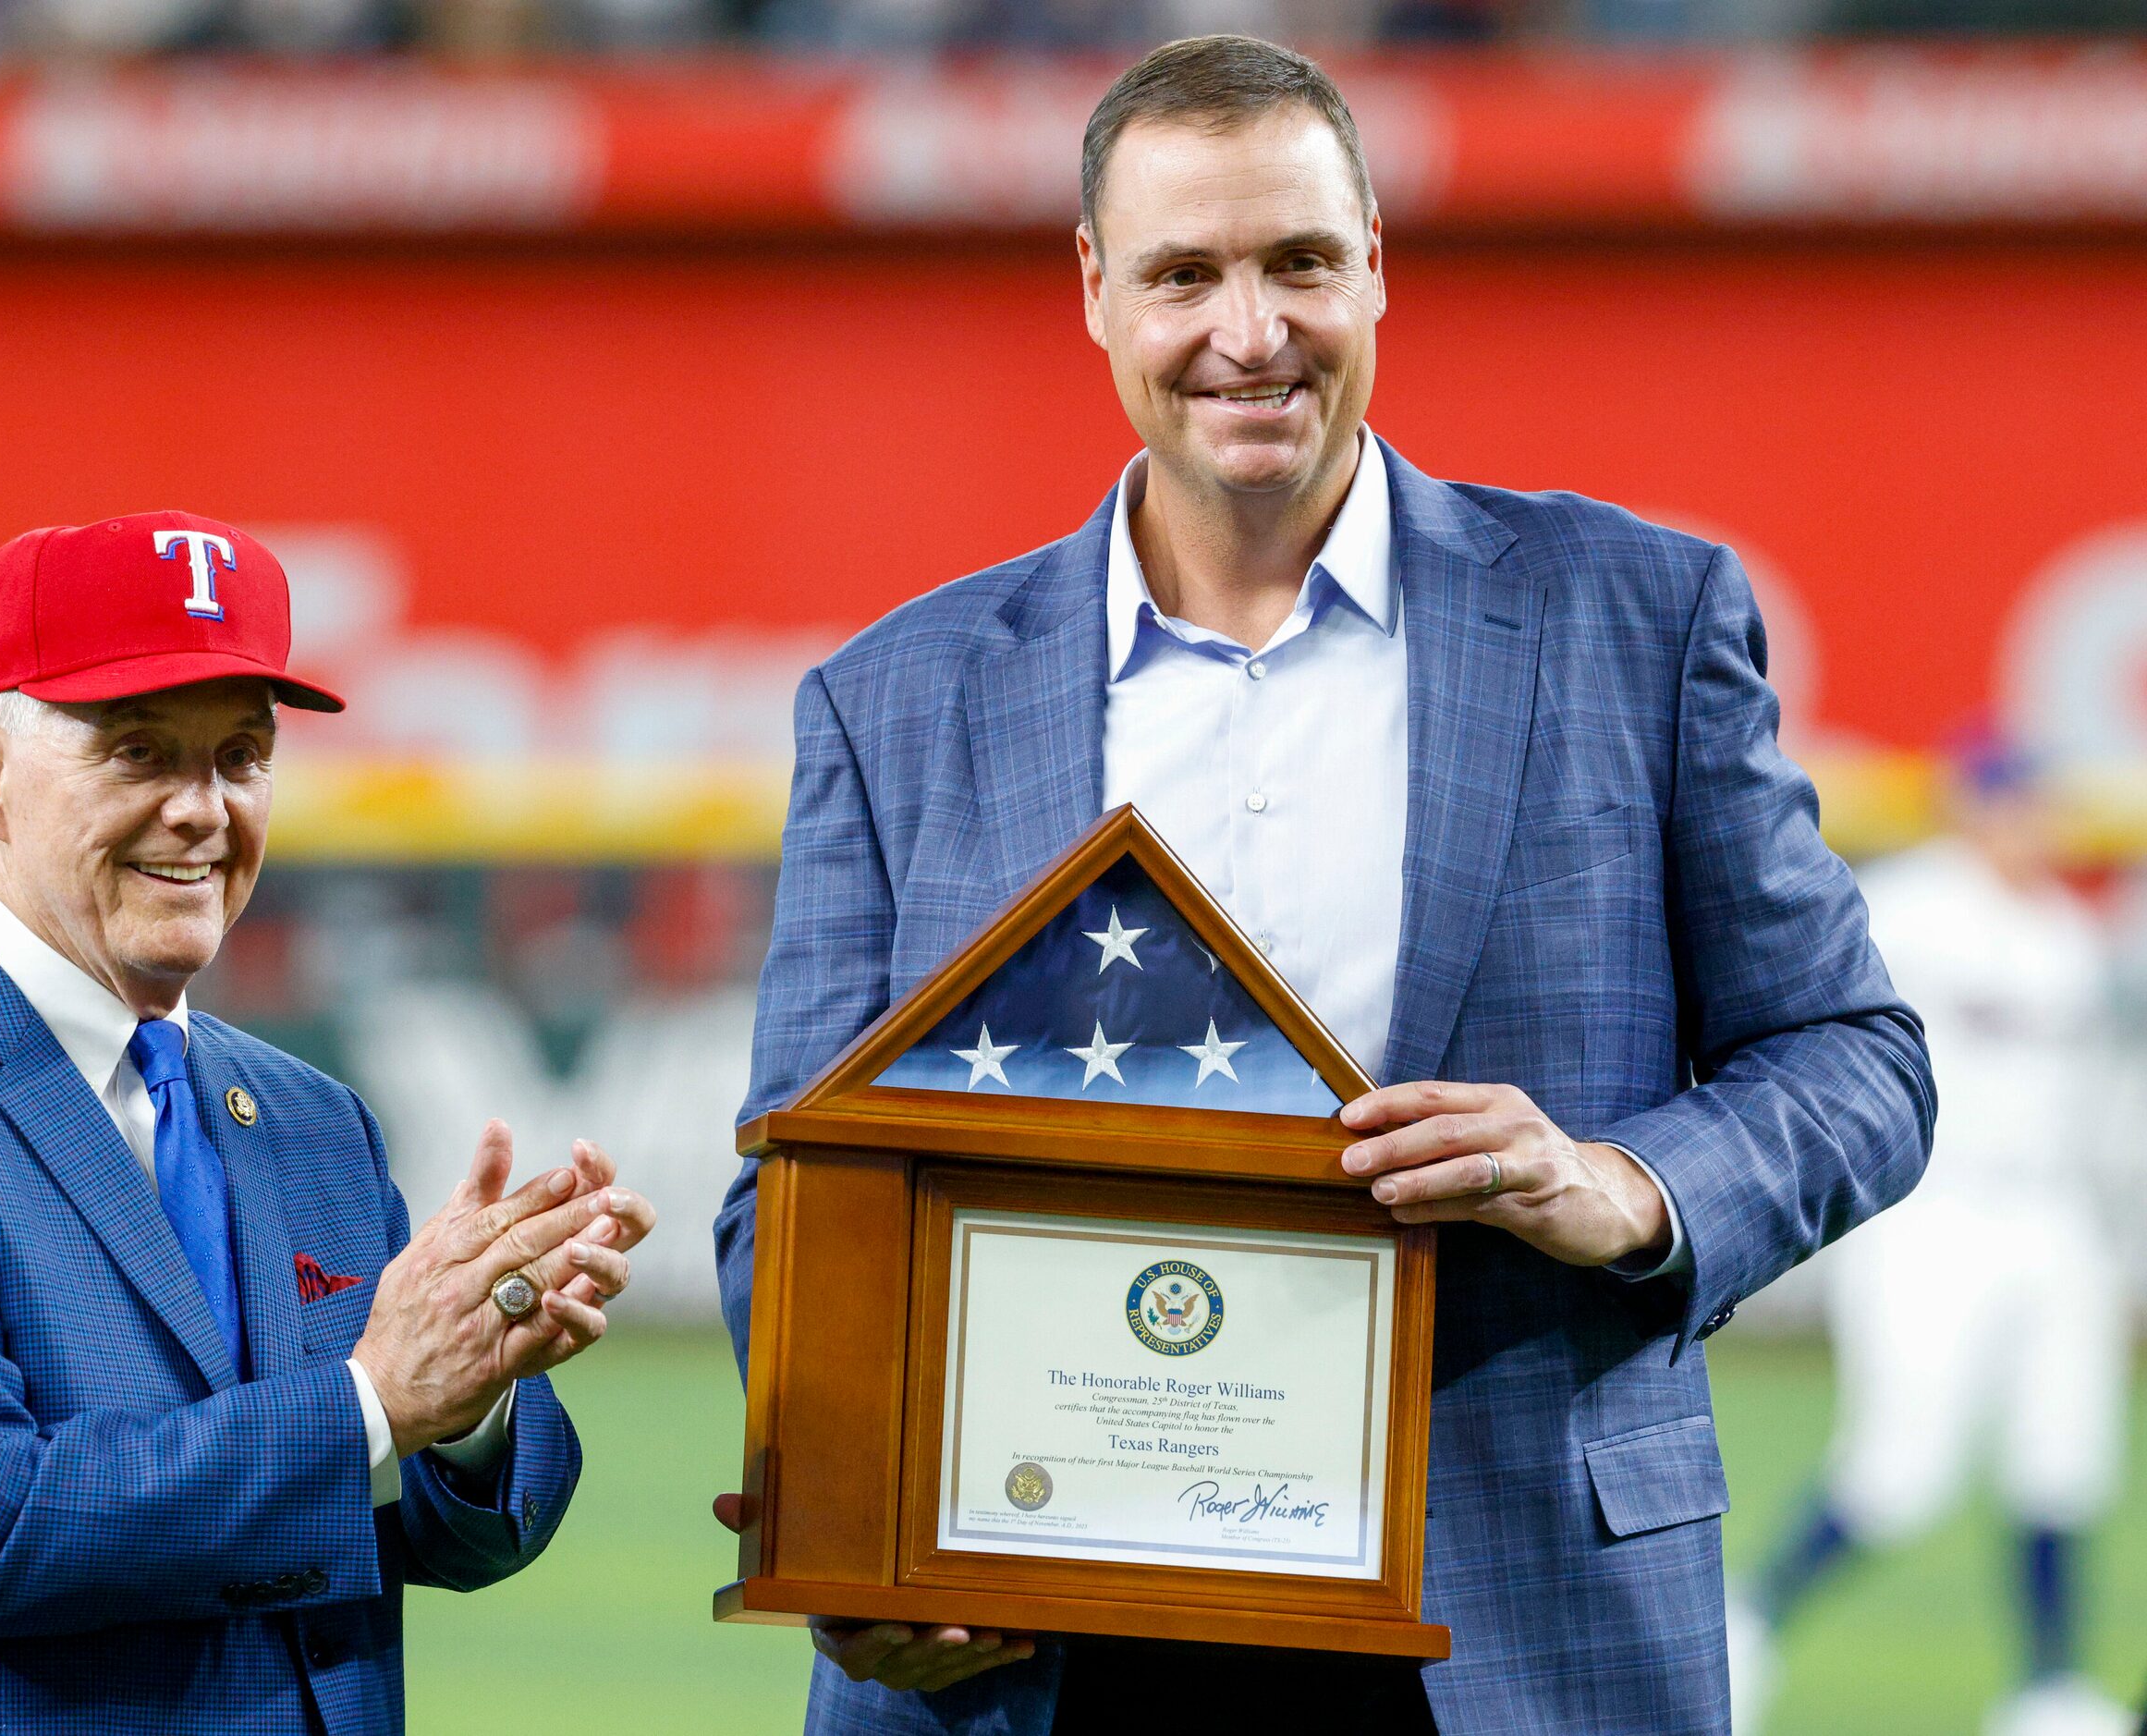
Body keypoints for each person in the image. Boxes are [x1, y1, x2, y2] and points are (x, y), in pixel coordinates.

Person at [713, 34, 1932, 1736]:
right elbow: (795, 1180)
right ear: (1093, 291)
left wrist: (1625, 1179)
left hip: (1509, 1623)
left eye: (1297, 260)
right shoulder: (896, 696)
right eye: (1183, 274)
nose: (1248, 330)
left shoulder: (1636, 617)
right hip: (1036, 1635)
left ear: (1375, 262)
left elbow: (1860, 1055)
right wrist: (854, 1535)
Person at [0, 510, 655, 1734]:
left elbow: (448, 1531)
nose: (204, 809)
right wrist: (373, 1399)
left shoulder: (315, 1123)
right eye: (141, 752)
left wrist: (468, 1392)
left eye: (242, 755)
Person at [1735, 742, 2128, 1736]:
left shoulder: (2064, 936)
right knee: (1900, 1468)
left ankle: (2048, 1690)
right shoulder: (1907, 908)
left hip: (2048, 1219)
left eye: (2037, 809)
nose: (2025, 827)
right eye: (2008, 807)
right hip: (1931, 1218)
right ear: (1967, 811)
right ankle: (1746, 1622)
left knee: (2063, 1453)